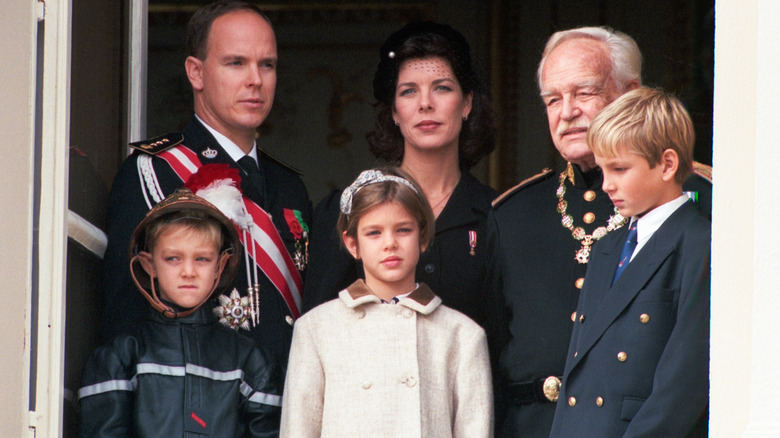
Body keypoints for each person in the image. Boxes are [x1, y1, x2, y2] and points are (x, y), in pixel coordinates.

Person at [486, 27, 712, 437]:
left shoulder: (703, 203)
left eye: (583, 92)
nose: (566, 111)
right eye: (553, 99)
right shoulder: (512, 216)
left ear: (630, 91)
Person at [101, 1, 311, 372]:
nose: (256, 80)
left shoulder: (290, 185)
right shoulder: (154, 172)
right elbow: (125, 320)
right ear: (196, 73)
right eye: (236, 63)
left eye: (267, 64)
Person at [302, 21, 497, 327]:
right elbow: (317, 329)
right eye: (408, 92)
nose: (425, 104)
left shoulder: (498, 216)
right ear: (394, 111)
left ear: (467, 103)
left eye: (442, 88)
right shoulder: (346, 209)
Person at [280, 168, 493, 437]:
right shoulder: (315, 329)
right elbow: (298, 429)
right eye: (374, 233)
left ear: (423, 236)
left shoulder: (463, 335)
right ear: (352, 243)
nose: (390, 243)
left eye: (403, 230)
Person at [549, 87, 709, 437]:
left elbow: (685, 381)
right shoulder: (608, 246)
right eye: (604, 169)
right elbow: (577, 374)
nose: (606, 185)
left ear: (667, 164)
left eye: (620, 169)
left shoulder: (700, 244)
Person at [79, 185, 282, 437]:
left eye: (202, 259)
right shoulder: (120, 357)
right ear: (148, 264)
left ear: (220, 267)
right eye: (173, 258)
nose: (188, 271)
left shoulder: (251, 361)